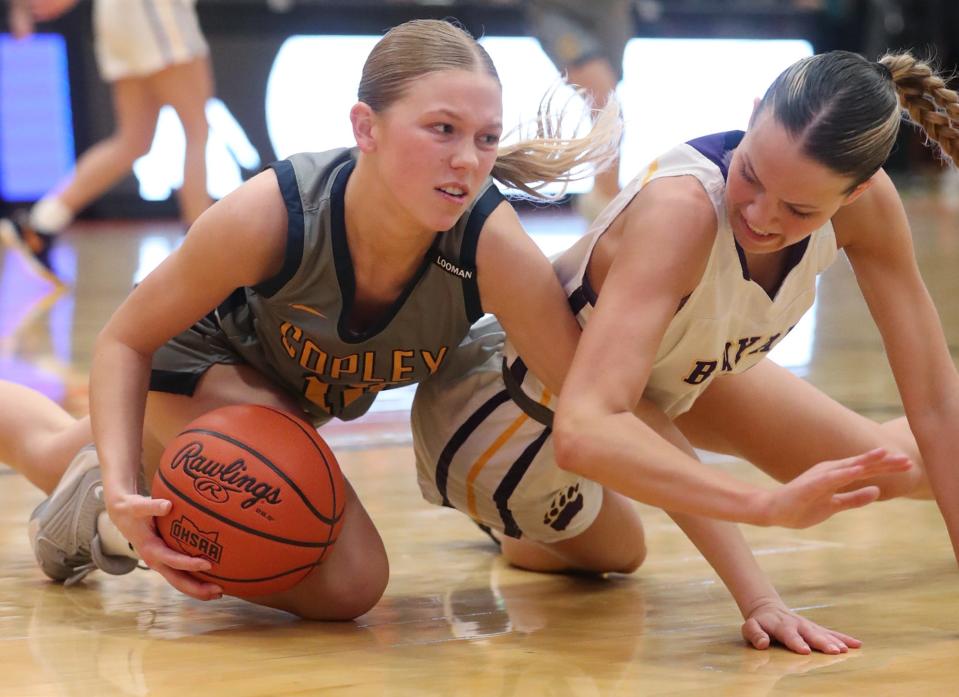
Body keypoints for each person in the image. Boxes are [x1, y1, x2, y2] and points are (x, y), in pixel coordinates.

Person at [0, 18, 625, 620]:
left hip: (279, 409)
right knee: (350, 581)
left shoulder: (491, 245)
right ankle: (115, 526)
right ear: (366, 127)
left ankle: (101, 486)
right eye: (442, 129)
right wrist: (120, 492)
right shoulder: (275, 212)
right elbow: (124, 340)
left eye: (486, 138)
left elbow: (594, 400)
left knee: (57, 448)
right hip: (198, 361)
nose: (468, 159)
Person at [413, 49, 959, 652]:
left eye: (800, 210)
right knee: (620, 556)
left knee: (892, 469)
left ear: (855, 194)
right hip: (511, 407)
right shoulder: (682, 212)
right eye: (750, 173)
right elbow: (593, 427)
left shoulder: (869, 204)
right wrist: (760, 586)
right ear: (751, 118)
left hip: (669, 375)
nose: (758, 213)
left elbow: (935, 403)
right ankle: (508, 522)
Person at [1, 0, 214, 285]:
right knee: (197, 130)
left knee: (133, 140)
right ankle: (201, 247)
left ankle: (40, 223)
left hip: (119, 20)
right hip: (154, 15)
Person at [526, 0, 635, 220]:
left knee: (608, 104)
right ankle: (607, 207)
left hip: (611, 11)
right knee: (606, 104)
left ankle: (606, 202)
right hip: (558, 10)